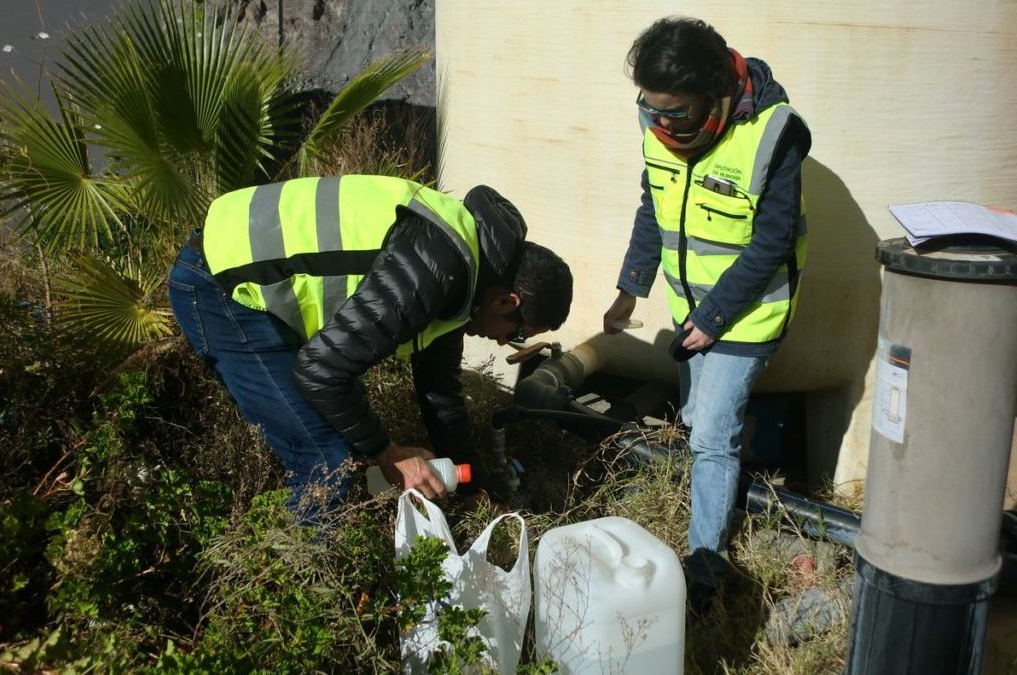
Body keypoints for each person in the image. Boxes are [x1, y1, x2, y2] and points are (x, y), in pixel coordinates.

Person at [169, 175, 573, 521]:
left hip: (246, 271)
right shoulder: (434, 267)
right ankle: (302, 597)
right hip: (219, 286)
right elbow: (320, 371)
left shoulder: (469, 268)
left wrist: (474, 489)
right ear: (507, 302)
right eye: (517, 333)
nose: (505, 342)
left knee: (344, 437)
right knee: (327, 465)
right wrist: (389, 453)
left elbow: (441, 395)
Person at [602, 17, 811, 613]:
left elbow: (771, 245)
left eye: (675, 114)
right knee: (699, 418)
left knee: (713, 435)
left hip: (746, 316)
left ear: (715, 94)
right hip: (692, 309)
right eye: (650, 110)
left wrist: (716, 317)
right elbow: (655, 206)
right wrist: (631, 287)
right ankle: (728, 475)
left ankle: (704, 576)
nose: (660, 125)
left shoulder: (775, 135)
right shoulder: (659, 128)